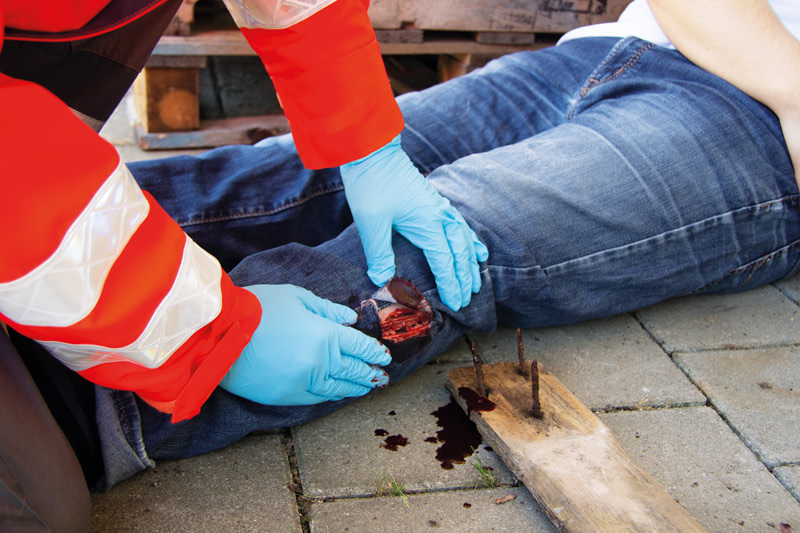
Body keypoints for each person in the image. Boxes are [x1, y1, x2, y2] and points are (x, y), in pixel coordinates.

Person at [2, 0, 799, 529]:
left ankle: (67, 398)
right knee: (352, 211)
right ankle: (60, 392)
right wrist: (205, 338)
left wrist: (364, 141)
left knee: (439, 238)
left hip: (754, 122)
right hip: (666, 50)